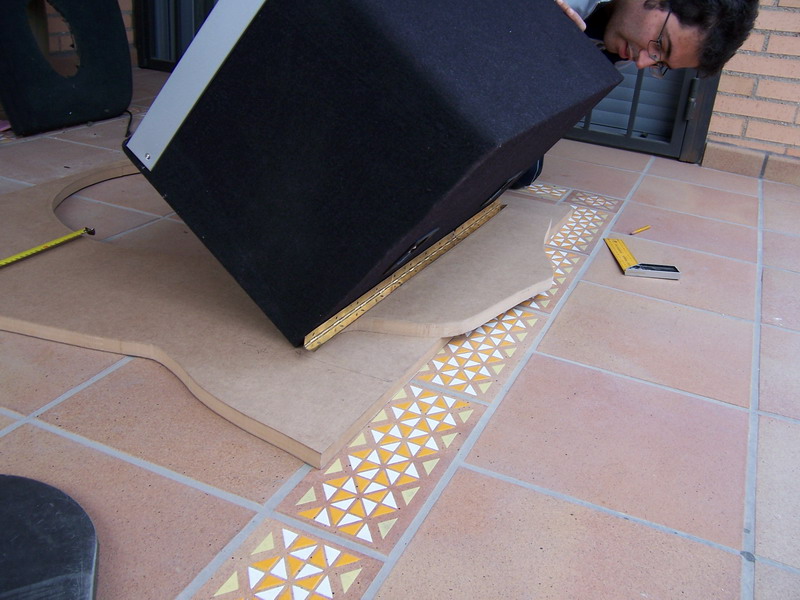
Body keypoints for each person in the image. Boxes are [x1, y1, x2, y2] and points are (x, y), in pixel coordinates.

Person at [510, 0, 759, 189]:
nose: (641, 63)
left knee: (522, 171)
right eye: (660, 45)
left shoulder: (617, 51)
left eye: (659, 63)